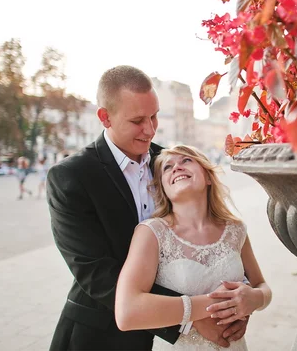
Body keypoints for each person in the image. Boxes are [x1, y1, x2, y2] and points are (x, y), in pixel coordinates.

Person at [47, 65, 249, 351]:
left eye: (154, 116)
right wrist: (189, 317)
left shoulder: (169, 163)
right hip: (101, 334)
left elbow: (214, 235)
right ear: (105, 117)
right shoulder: (71, 177)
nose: (150, 129)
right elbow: (95, 273)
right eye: (138, 120)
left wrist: (238, 305)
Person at [115, 145, 272, 350]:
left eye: (186, 160)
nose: (177, 167)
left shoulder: (236, 230)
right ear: (163, 188)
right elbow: (127, 313)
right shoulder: (151, 232)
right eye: (168, 167)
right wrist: (214, 307)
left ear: (207, 176)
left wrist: (255, 299)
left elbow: (262, 286)